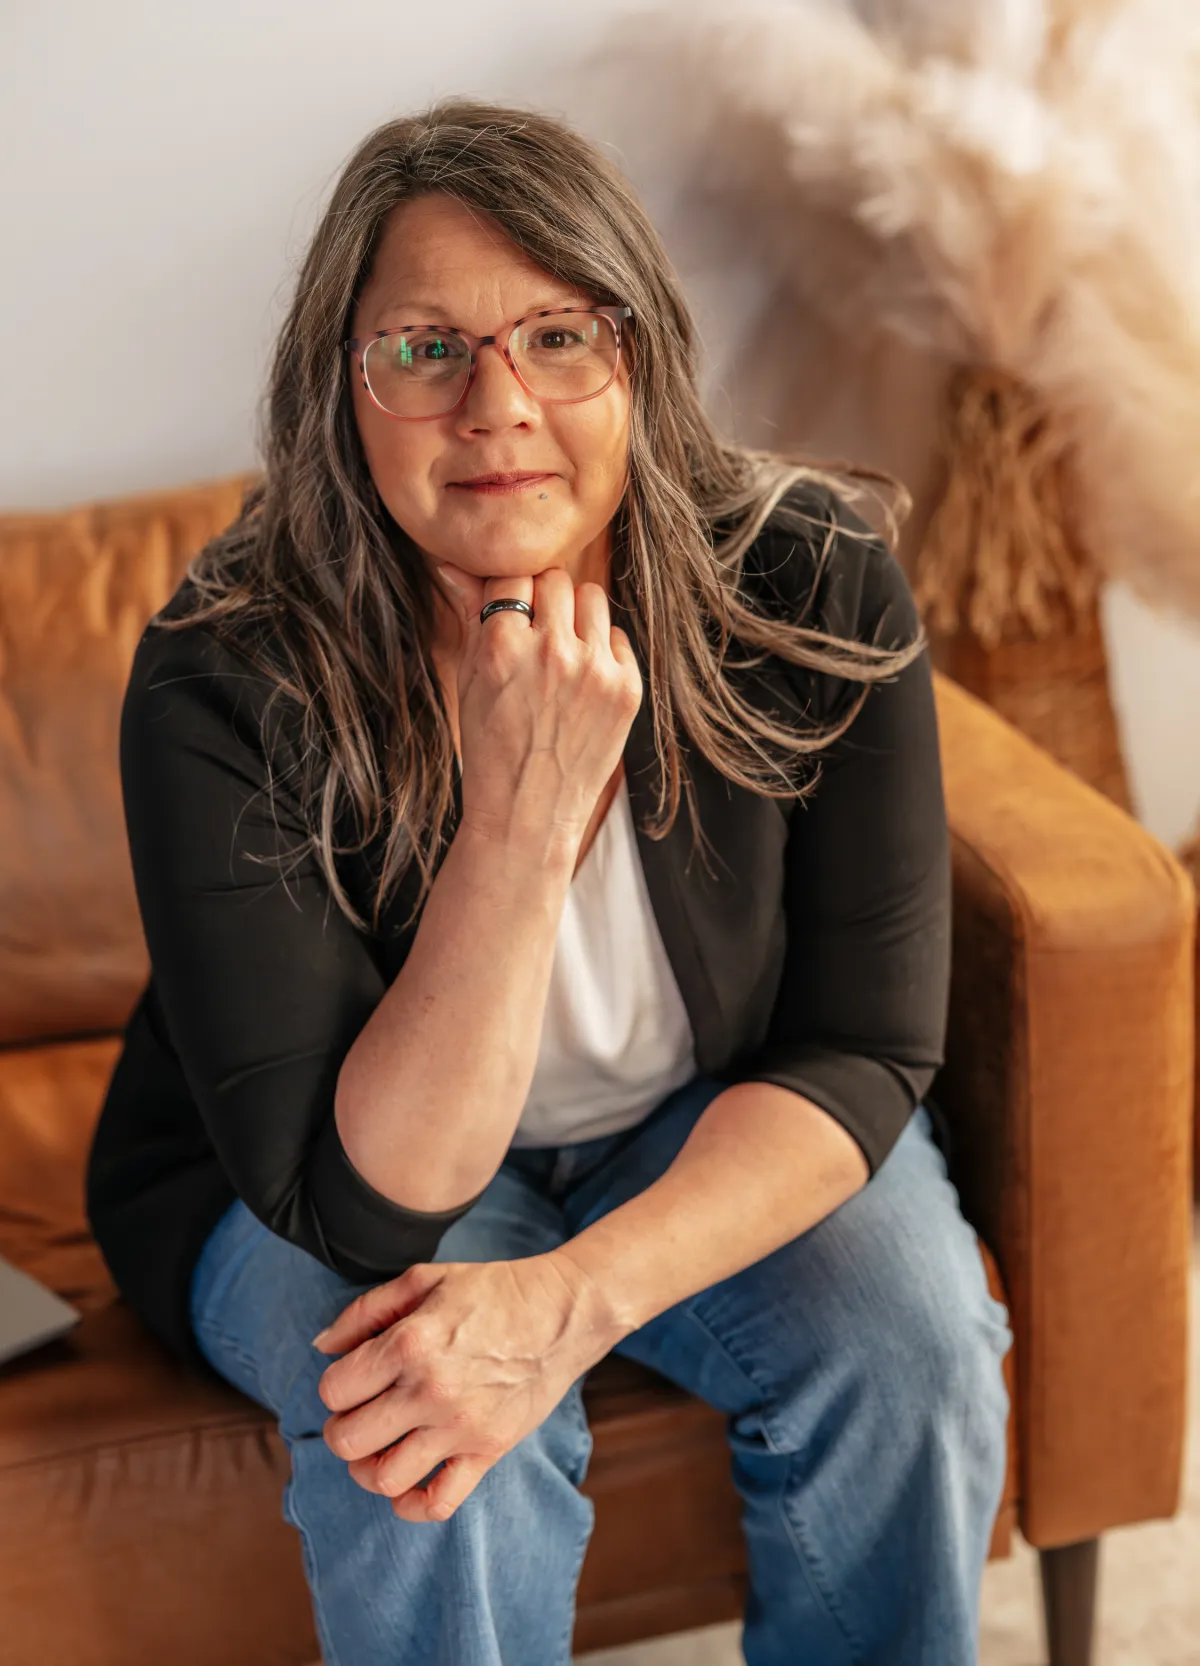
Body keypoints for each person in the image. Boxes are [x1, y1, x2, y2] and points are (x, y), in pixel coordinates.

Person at [85, 97, 1011, 1666]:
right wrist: (516, 824)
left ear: (636, 360)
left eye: (558, 336)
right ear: (343, 390)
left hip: (694, 1118)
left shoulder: (808, 581)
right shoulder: (222, 671)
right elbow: (360, 1196)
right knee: (426, 1430)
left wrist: (568, 1301)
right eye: (425, 349)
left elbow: (863, 1046)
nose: (497, 404)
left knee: (912, 1342)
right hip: (330, 1168)